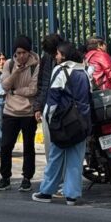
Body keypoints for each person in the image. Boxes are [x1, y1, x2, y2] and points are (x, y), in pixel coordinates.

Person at [32, 41, 92, 206]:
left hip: (63, 122)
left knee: (55, 157)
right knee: (76, 160)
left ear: (64, 55)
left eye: (58, 54)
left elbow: (53, 99)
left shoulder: (60, 70)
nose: (56, 56)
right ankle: (72, 195)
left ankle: (46, 191)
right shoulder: (84, 71)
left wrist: (48, 120)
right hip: (82, 122)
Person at [0, 37, 39, 192]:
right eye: (18, 53)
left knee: (28, 146)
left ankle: (27, 178)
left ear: (29, 52)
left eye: (24, 53)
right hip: (10, 111)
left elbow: (33, 90)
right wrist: (16, 72)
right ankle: (5, 177)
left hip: (28, 112)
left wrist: (15, 91)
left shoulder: (35, 65)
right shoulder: (9, 64)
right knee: (6, 145)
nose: (21, 56)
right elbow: (5, 86)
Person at [34, 33, 63, 161]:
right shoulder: (47, 58)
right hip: (49, 105)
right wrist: (38, 106)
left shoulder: (70, 56)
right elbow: (43, 83)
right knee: (50, 143)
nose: (54, 56)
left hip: (66, 107)